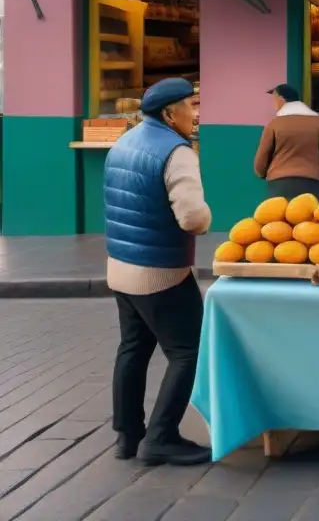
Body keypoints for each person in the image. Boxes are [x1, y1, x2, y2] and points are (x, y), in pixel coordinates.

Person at [104, 77, 212, 467]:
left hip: (120, 265)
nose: (195, 113)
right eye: (190, 106)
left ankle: (128, 436)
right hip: (160, 271)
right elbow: (192, 218)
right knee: (188, 352)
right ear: (169, 114)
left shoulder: (123, 143)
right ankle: (161, 437)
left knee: (132, 348)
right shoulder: (177, 152)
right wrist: (207, 217)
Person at [254, 84, 319, 198]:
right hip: (311, 181)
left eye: (274, 99)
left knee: (278, 215)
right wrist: (312, 167)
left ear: (281, 99)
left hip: (279, 183)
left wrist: (262, 173)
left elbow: (261, 158)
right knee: (307, 214)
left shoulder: (275, 124)